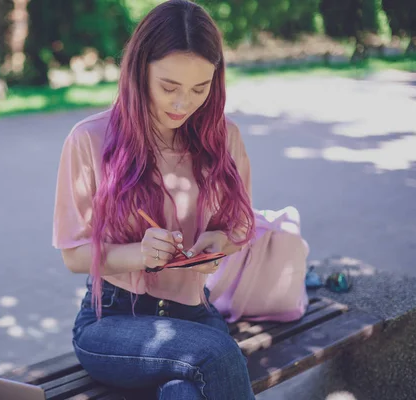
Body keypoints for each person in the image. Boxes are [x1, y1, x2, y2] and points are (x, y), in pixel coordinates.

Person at [52, 1, 256, 398]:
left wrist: (221, 243)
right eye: (169, 87)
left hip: (193, 315)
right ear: (138, 70)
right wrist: (140, 255)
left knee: (184, 391)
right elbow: (74, 255)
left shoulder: (223, 137)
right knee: (217, 354)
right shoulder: (89, 140)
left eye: (200, 88)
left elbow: (241, 226)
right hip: (112, 321)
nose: (183, 104)